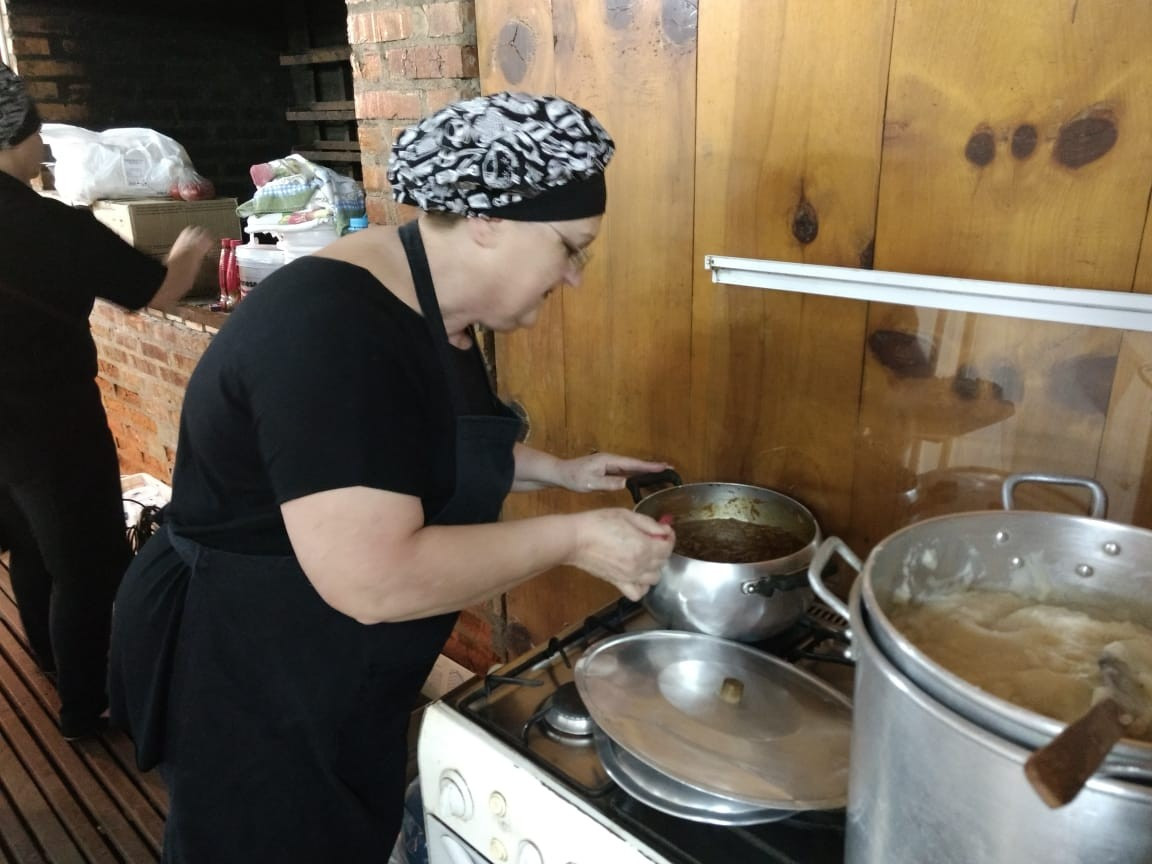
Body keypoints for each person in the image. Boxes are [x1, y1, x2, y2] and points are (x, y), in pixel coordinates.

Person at [108, 91, 675, 862]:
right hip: (254, 677)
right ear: (488, 220)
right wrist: (577, 540)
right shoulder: (333, 331)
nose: (575, 276)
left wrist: (563, 473)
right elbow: (373, 579)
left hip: (342, 670)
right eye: (571, 248)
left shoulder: (428, 299)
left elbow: (410, 449)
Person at [0, 62, 215, 740]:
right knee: (87, 565)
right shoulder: (48, 224)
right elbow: (156, 291)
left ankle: (52, 661)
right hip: (50, 419)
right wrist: (191, 245)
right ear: (14, 135)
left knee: (30, 544)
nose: (44, 146)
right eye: (36, 132)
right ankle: (84, 707)